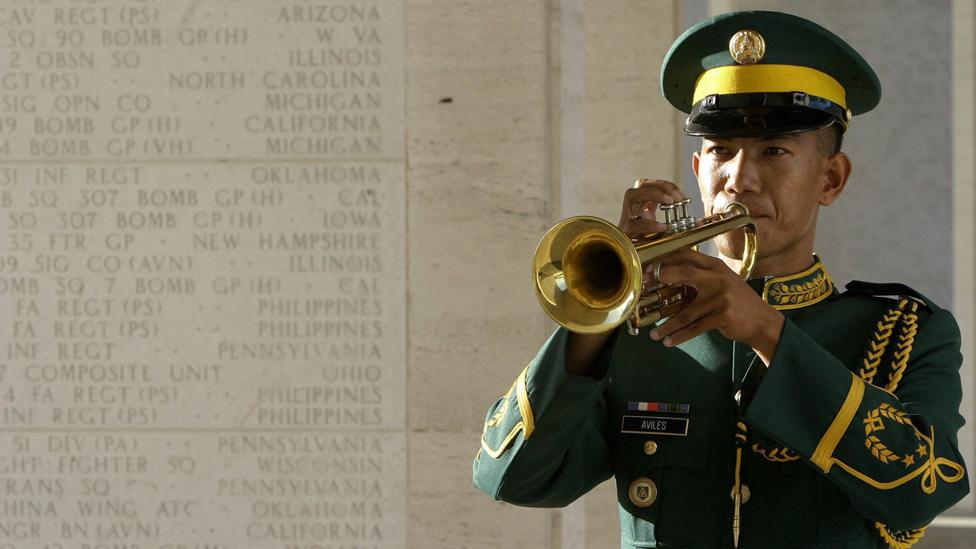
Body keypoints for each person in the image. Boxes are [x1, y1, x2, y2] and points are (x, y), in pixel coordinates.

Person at [472, 10, 970, 549]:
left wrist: (767, 331)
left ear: (831, 178)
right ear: (697, 170)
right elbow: (513, 478)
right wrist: (599, 314)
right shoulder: (639, 333)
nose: (738, 179)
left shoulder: (903, 333)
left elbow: (921, 490)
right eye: (720, 152)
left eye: (773, 151)